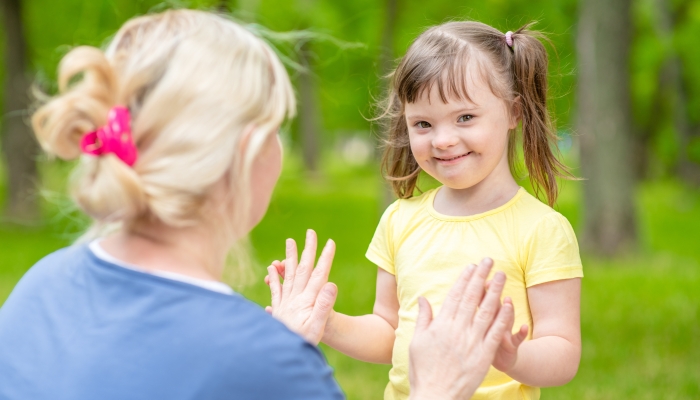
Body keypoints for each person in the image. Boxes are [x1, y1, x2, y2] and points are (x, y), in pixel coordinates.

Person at [0, 10, 515, 400]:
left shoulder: (38, 288)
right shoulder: (269, 367)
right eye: (276, 131)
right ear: (248, 154)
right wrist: (438, 388)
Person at [267, 21, 583, 400]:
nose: (444, 140)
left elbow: (562, 351)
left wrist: (511, 356)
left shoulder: (542, 229)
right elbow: (389, 332)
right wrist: (326, 323)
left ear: (514, 112)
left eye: (465, 117)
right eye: (423, 124)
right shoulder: (401, 220)